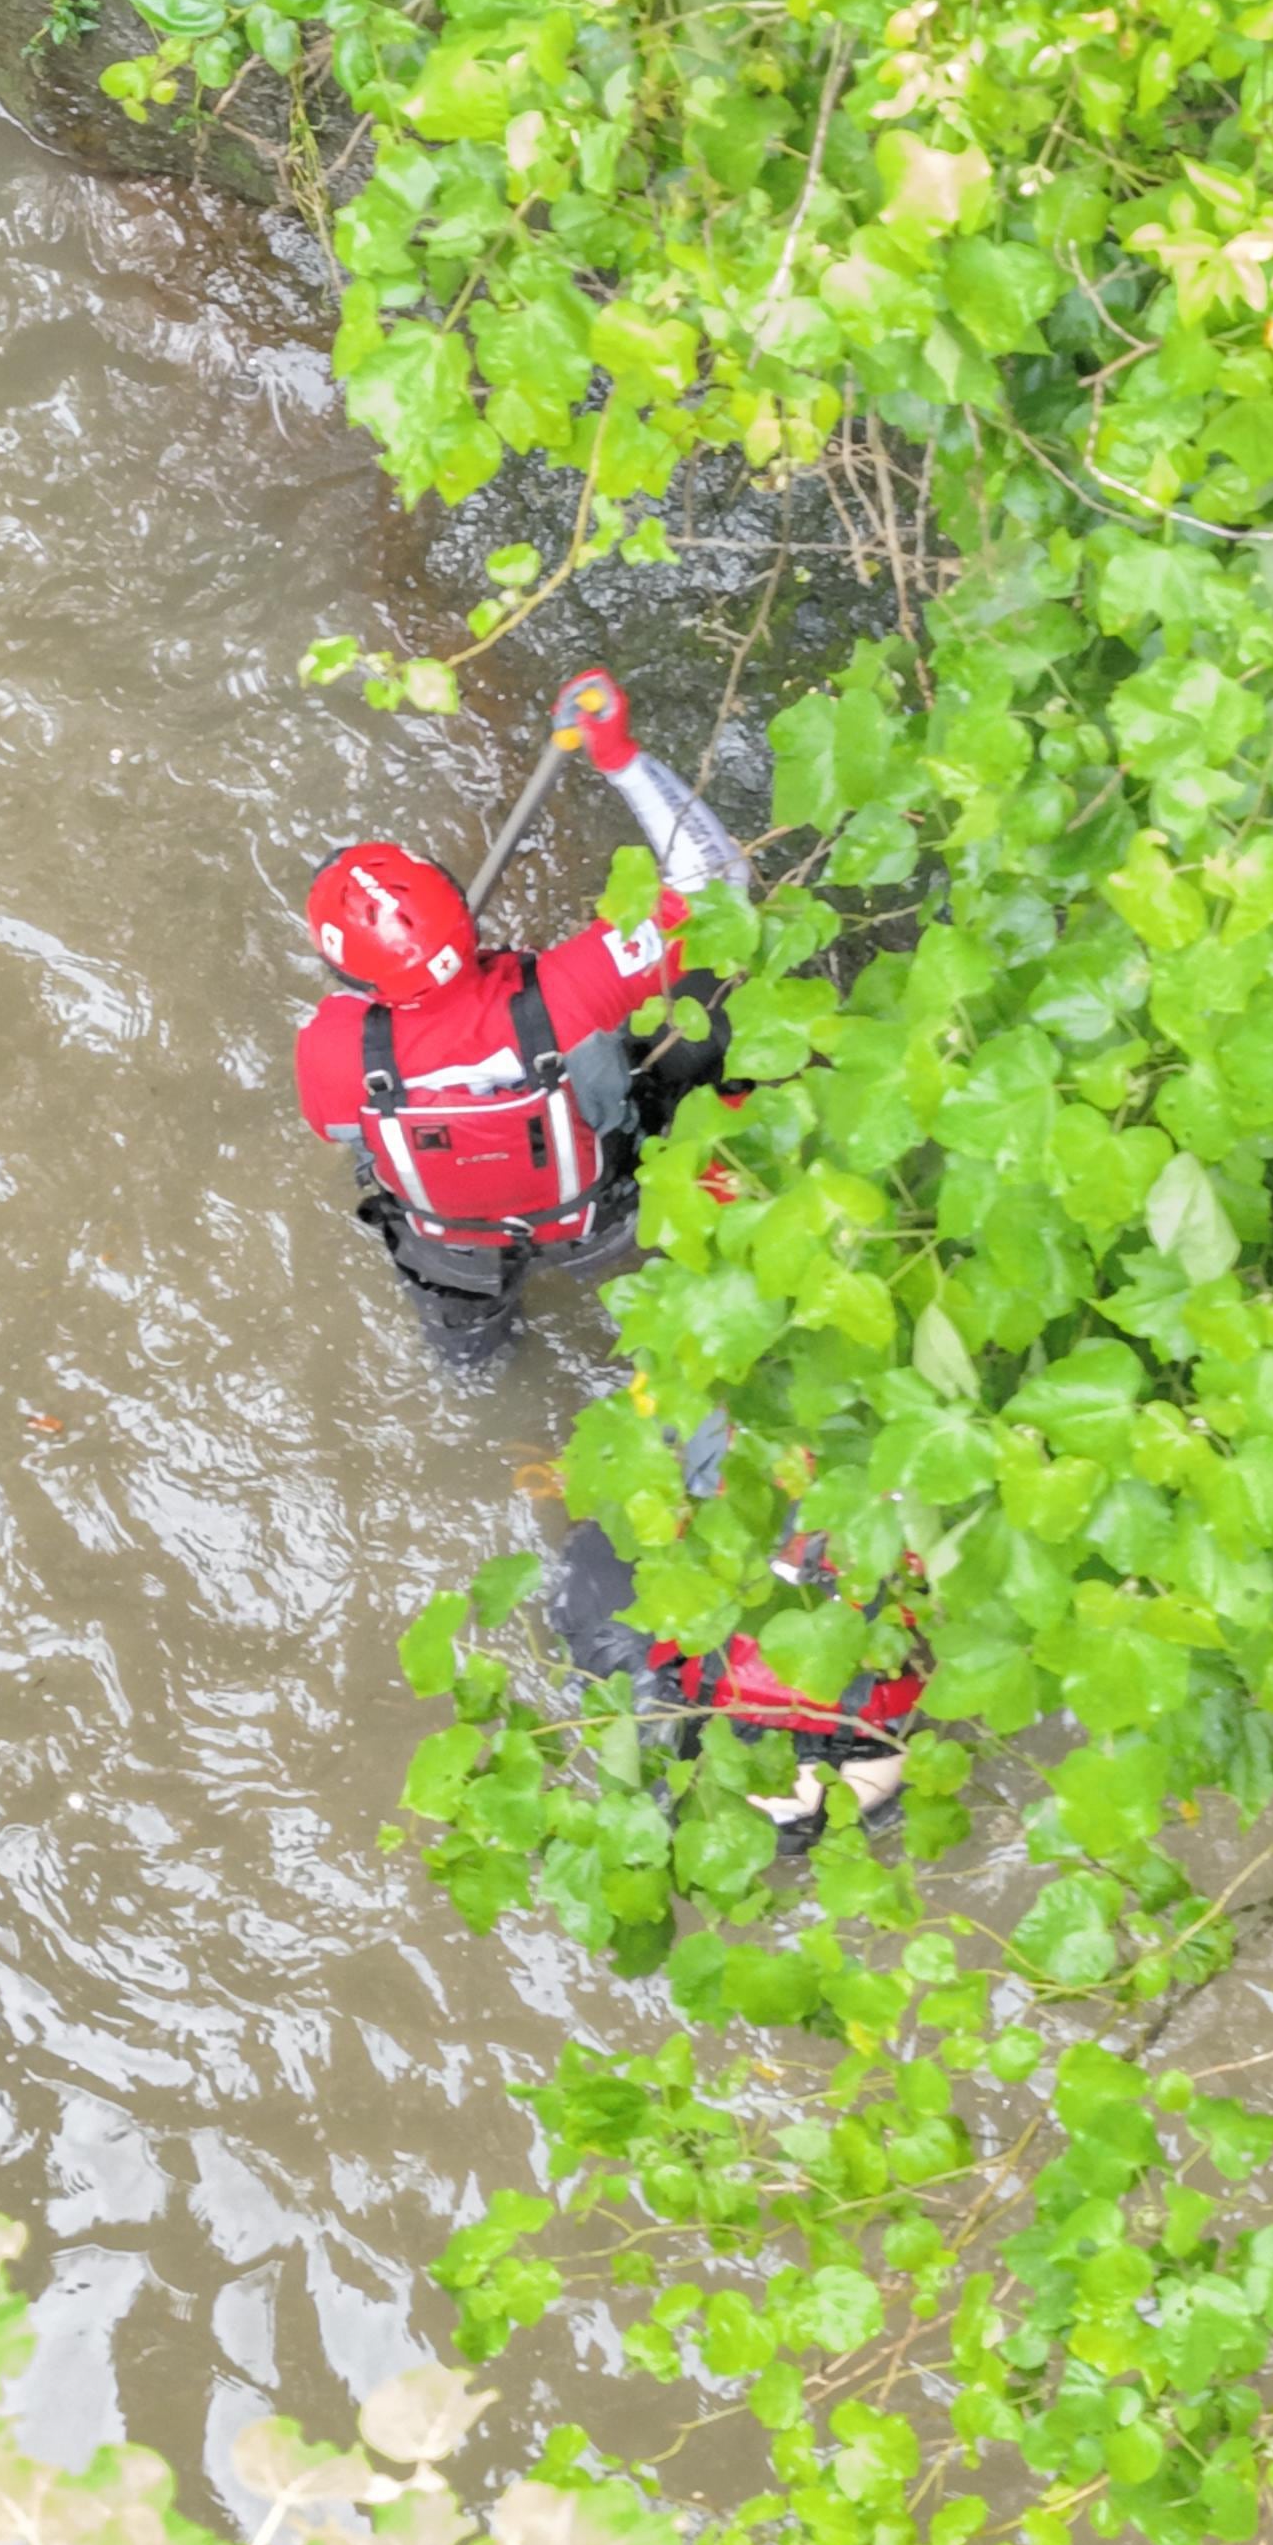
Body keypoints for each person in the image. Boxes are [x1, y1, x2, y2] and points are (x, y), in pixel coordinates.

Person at [292, 669, 750, 1363]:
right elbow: (718, 884)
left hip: (454, 1259)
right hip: (606, 1217)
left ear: (348, 976)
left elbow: (335, 1129)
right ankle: (733, 1167)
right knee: (711, 1011)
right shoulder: (570, 989)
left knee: (467, 1361)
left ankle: (482, 1376)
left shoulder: (329, 1049)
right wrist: (620, 756)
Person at [545, 1421, 922, 1840]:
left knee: (598, 1553)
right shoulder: (914, 1479)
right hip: (851, 1761)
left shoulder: (724, 1433)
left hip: (713, 1726)